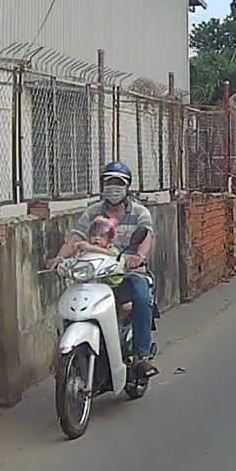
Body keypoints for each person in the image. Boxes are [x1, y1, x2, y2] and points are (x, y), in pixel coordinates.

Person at [48, 161, 159, 379]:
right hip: (95, 275)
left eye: (118, 182)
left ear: (127, 187)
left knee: (142, 297)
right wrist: (59, 258)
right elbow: (76, 238)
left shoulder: (140, 212)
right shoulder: (92, 212)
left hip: (127, 273)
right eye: (109, 182)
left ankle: (141, 356)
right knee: (74, 299)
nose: (113, 187)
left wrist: (139, 257)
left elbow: (147, 237)